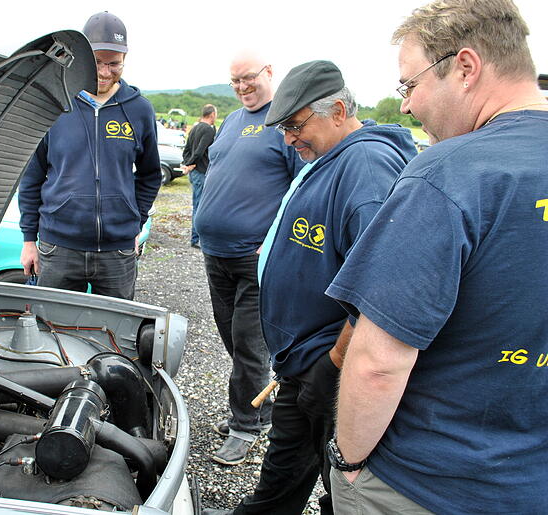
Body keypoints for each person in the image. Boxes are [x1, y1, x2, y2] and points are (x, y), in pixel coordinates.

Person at [325, 1, 548, 513]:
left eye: (409, 85)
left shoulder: (449, 174)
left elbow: (379, 362)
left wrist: (348, 459)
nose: (405, 106)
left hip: (430, 482)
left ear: (465, 68)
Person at [203, 61, 416, 515]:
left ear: (338, 110)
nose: (288, 139)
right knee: (286, 467)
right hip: (303, 363)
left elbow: (381, 287)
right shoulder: (330, 157)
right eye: (282, 128)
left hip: (331, 370)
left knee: (338, 478)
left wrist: (333, 364)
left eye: (296, 126)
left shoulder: (368, 167)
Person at [193, 51, 301, 466]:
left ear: (270, 72)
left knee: (249, 345)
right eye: (234, 81)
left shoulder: (285, 119)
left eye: (249, 78)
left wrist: (276, 238)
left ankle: (245, 426)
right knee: (232, 340)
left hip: (255, 260)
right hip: (215, 254)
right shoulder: (233, 120)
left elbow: (303, 184)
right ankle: (259, 409)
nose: (242, 87)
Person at [18, 11, 160, 300]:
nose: (105, 72)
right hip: (58, 248)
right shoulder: (55, 105)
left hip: (116, 252)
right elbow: (32, 176)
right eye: (97, 62)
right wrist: (29, 240)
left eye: (113, 63)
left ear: (124, 60)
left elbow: (150, 175)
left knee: (115, 336)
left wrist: (135, 222)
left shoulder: (140, 110)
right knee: (52, 331)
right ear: (81, 57)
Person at [181, 104, 217, 248]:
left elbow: (187, 149)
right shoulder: (208, 130)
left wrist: (187, 163)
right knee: (200, 206)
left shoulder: (195, 127)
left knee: (198, 204)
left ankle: (197, 237)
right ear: (212, 114)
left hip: (195, 172)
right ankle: (196, 239)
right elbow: (199, 151)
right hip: (201, 172)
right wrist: (189, 164)